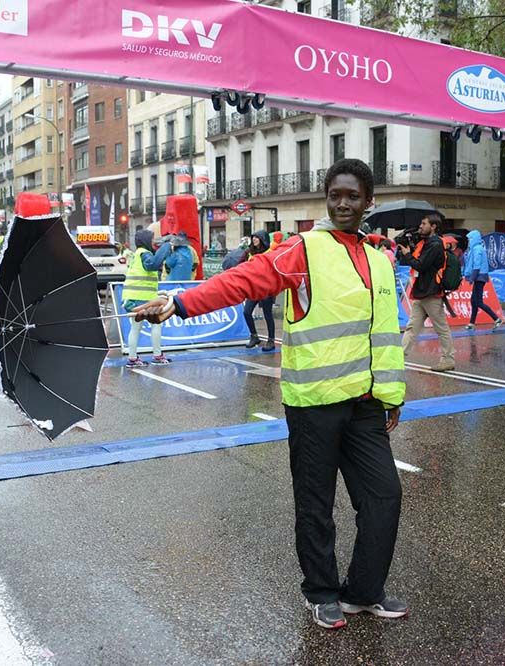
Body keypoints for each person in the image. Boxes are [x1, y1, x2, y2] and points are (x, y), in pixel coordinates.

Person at [132, 159, 407, 630]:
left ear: (368, 202)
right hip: (313, 404)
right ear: (327, 198)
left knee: (384, 498)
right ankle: (320, 591)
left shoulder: (380, 262)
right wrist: (179, 303)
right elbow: (241, 280)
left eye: (353, 196)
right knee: (315, 505)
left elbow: (384, 334)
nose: (343, 203)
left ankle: (362, 592)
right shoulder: (302, 250)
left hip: (365, 404)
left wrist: (392, 396)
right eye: (335, 194)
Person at [398, 213, 455, 372]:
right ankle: (399, 357)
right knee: (411, 327)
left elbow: (420, 265)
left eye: (424, 224)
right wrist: (410, 250)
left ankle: (448, 359)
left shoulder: (435, 244)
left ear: (433, 226)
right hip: (421, 291)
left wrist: (407, 254)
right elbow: (418, 262)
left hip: (431, 293)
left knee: (441, 328)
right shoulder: (426, 243)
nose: (420, 226)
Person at [123, 229, 172, 367]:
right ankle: (157, 355)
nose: (154, 241)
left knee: (135, 328)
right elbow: (153, 265)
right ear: (145, 241)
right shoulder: (144, 254)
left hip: (132, 297)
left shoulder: (136, 254)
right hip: (143, 298)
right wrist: (166, 247)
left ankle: (132, 359)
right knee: (156, 324)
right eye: (152, 239)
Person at [462, 230, 505, 330]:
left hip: (478, 277)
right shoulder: (477, 248)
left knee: (478, 302)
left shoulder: (477, 249)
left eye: (470, 239)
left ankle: (496, 319)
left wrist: (472, 277)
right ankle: (472, 323)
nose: (468, 241)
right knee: (474, 301)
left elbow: (477, 265)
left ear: (474, 239)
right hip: (479, 276)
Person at [242, 230, 277, 351]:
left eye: (257, 237)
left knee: (267, 314)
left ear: (263, 239)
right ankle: (254, 336)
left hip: (267, 288)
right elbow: (241, 265)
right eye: (253, 237)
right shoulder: (249, 252)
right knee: (247, 312)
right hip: (254, 288)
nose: (254, 240)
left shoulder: (270, 252)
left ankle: (271, 340)